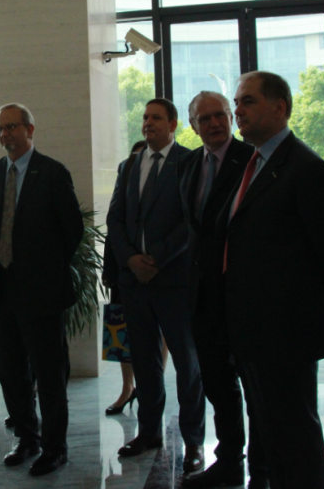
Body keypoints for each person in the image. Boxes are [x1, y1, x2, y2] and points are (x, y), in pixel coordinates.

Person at [222, 71, 324, 488]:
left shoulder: (306, 169)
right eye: (236, 102)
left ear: (280, 107)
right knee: (272, 437)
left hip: (286, 332)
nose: (238, 111)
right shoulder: (254, 164)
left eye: (248, 101)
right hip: (253, 329)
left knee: (296, 439)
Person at [0, 103, 83, 476]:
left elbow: (72, 230)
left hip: (42, 293)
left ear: (30, 129)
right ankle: (27, 438)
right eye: (1, 129)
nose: (6, 134)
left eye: (12, 126)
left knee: (49, 373)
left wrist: (45, 269)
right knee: (11, 372)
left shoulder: (52, 172)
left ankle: (55, 448)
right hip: (3, 290)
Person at [106, 97, 206, 470]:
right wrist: (131, 259)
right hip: (135, 282)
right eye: (145, 117)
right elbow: (115, 219)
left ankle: (193, 442)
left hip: (174, 280)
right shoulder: (129, 165)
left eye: (156, 118)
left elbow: (191, 220)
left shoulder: (190, 162)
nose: (148, 123)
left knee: (187, 364)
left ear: (173, 124)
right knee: (145, 362)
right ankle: (148, 432)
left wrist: (157, 259)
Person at [179, 91, 268, 489]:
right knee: (218, 385)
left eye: (221, 115)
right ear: (193, 125)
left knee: (256, 387)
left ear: (231, 118)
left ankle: (262, 471)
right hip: (202, 296)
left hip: (244, 295)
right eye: (205, 118)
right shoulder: (188, 165)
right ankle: (230, 462)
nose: (214, 123)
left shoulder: (253, 159)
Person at [101, 139, 148, 415]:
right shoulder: (125, 178)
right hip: (121, 267)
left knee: (157, 333)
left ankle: (147, 386)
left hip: (154, 267)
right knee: (119, 328)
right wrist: (111, 267)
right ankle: (127, 388)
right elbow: (113, 223)